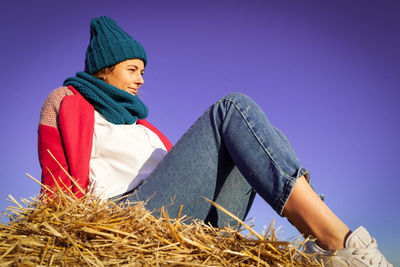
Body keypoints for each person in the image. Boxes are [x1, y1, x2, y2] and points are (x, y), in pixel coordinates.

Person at [38, 16, 392, 267]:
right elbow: (54, 184)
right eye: (132, 70)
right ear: (104, 68)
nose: (141, 80)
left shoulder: (144, 126)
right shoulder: (68, 102)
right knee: (233, 109)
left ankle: (320, 243)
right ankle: (340, 243)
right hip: (125, 217)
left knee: (256, 144)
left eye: (143, 71)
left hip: (184, 226)